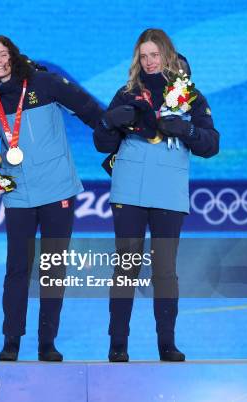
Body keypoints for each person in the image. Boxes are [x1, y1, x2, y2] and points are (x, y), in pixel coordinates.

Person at [93, 28, 219, 362]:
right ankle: (118, 343)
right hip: (130, 188)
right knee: (126, 266)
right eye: (143, 56)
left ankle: (167, 344)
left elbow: (211, 144)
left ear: (168, 55)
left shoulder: (189, 96)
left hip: (168, 191)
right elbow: (103, 144)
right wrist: (107, 123)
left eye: (155, 55)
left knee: (164, 270)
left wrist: (188, 129)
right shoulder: (126, 93)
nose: (150, 62)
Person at [0, 35, 103, 362]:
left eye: (2, 54)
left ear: (13, 55)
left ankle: (47, 342)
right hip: (18, 194)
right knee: (17, 269)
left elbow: (89, 109)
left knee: (52, 268)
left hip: (57, 190)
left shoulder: (43, 83)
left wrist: (115, 138)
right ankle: (11, 341)